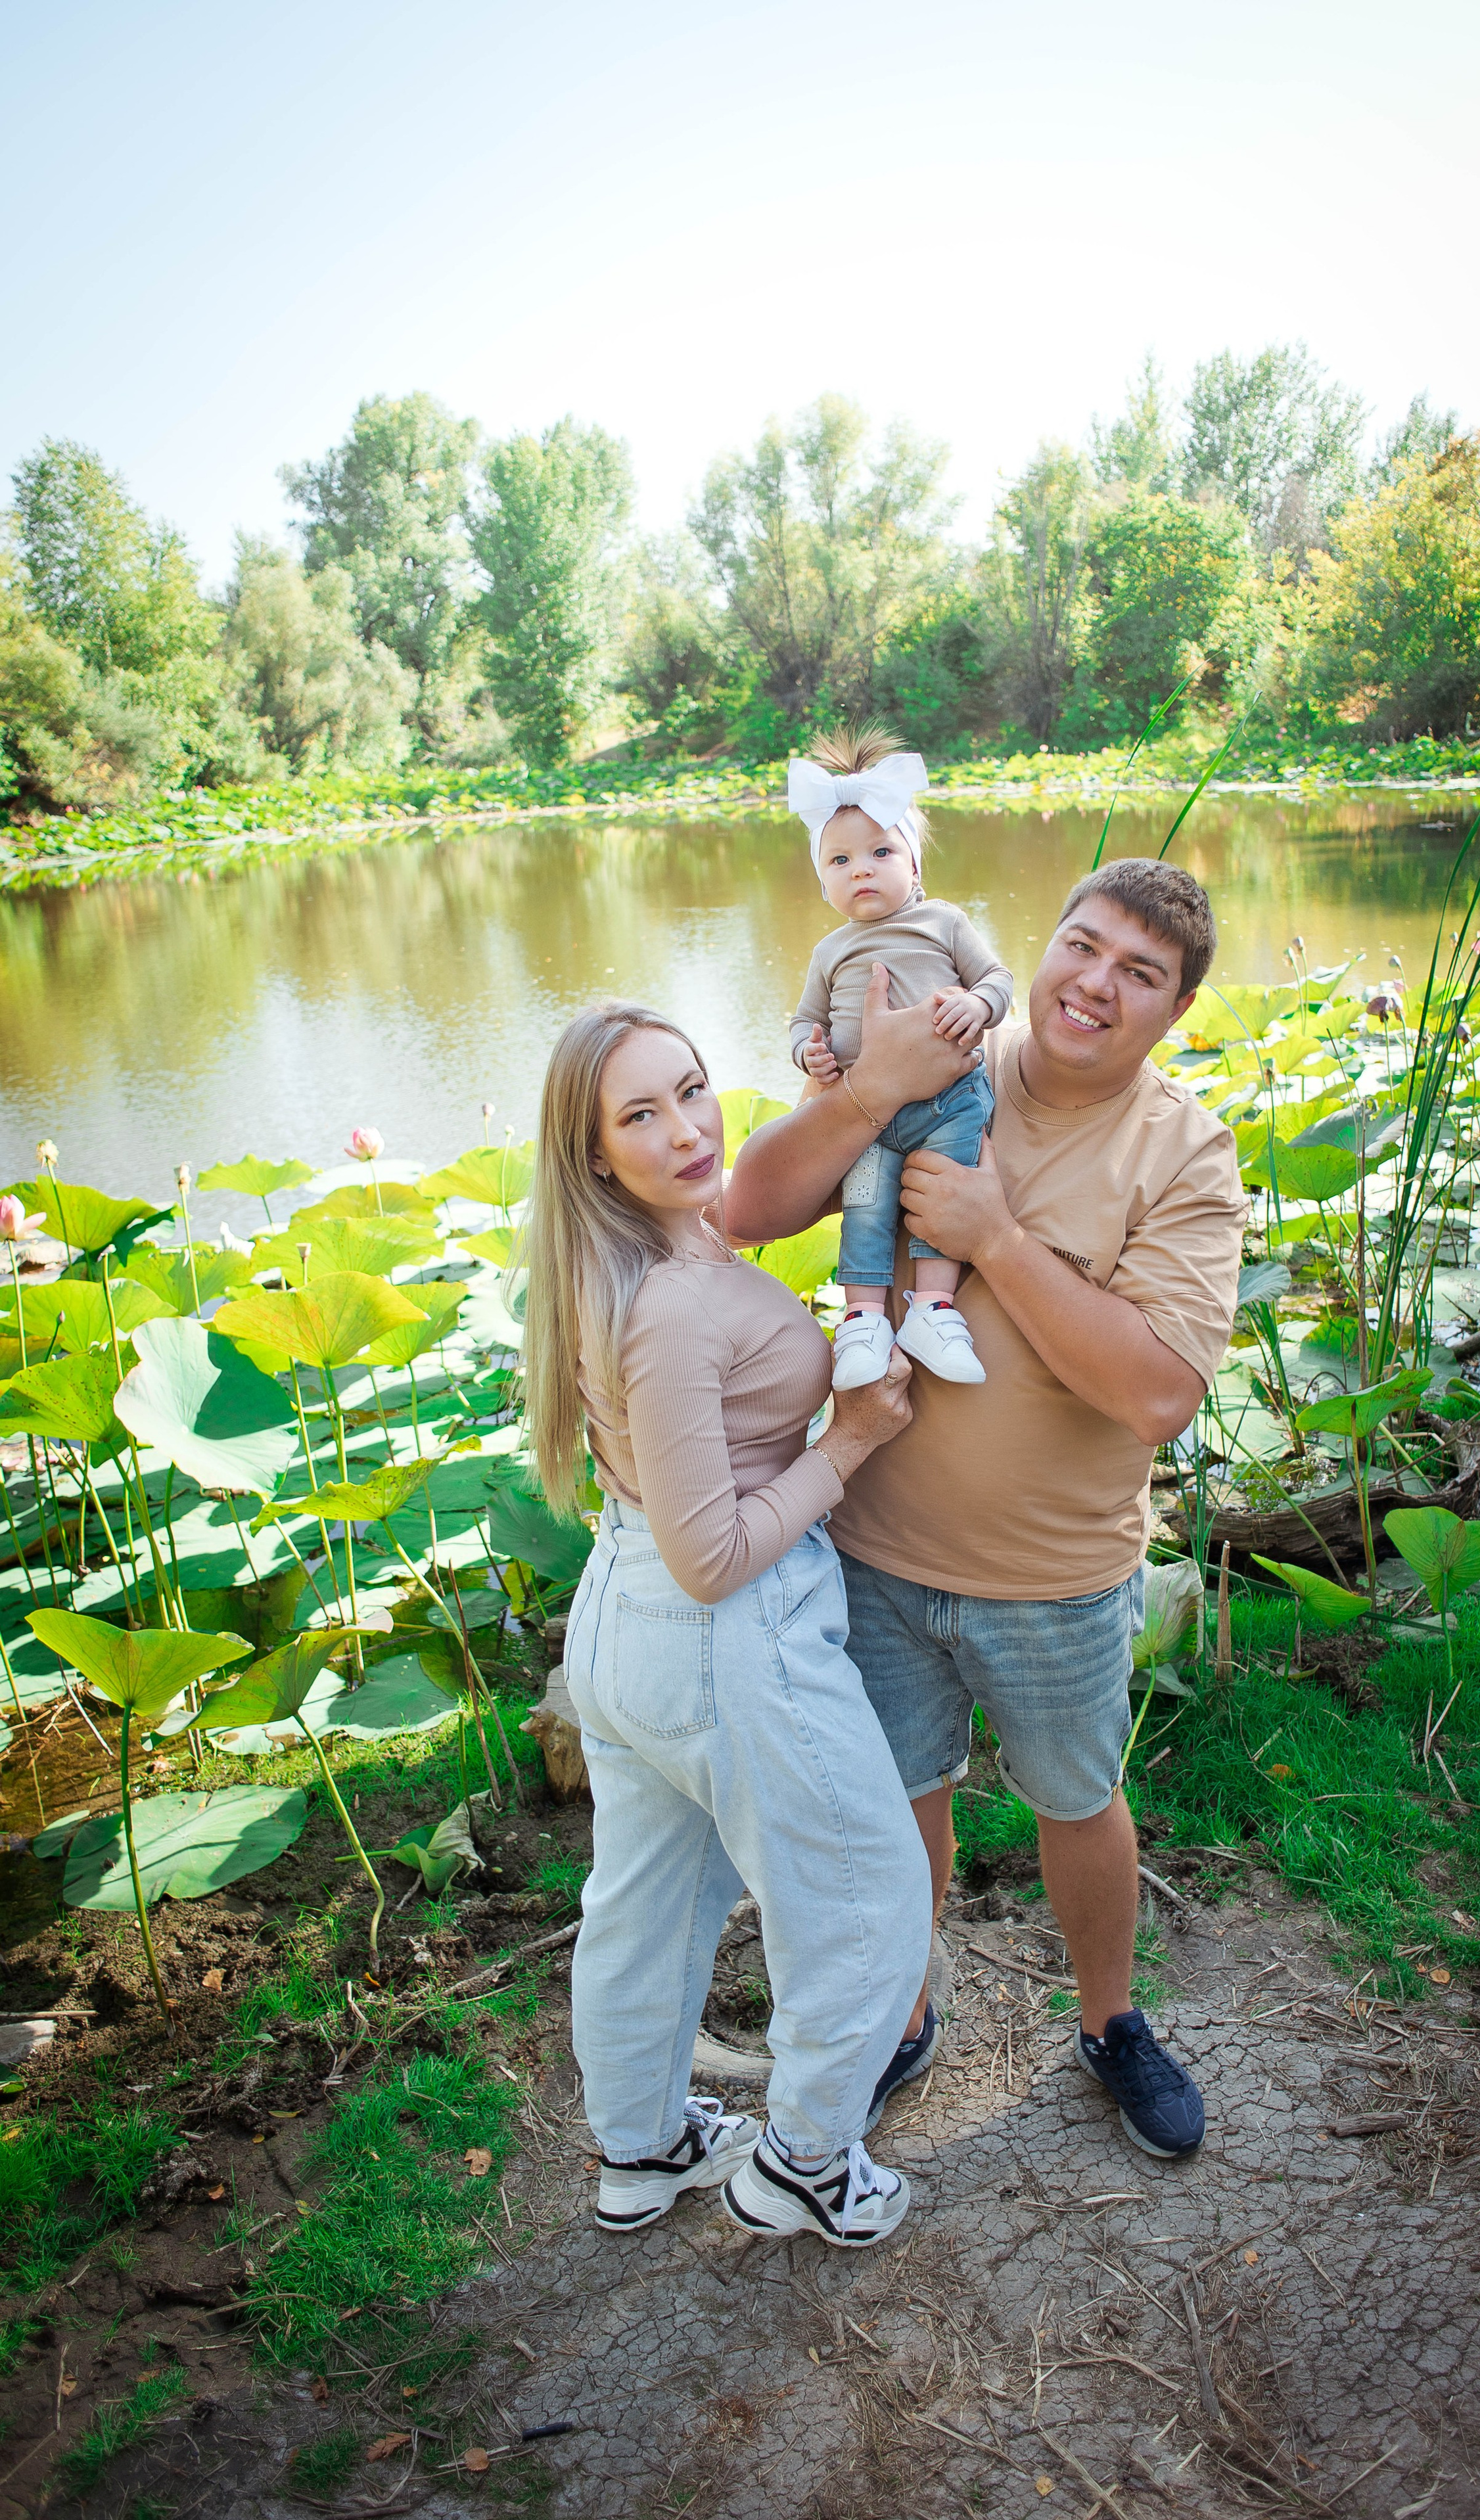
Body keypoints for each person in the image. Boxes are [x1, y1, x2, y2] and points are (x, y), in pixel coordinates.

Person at [726, 859, 1248, 2160]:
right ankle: (903, 2011)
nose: (1094, 984)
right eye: (1083, 946)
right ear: (1045, 944)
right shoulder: (937, 1047)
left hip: (1055, 1570)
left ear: (1173, 1010)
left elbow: (1154, 1398)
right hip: (875, 1548)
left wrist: (998, 1238)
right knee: (903, 1797)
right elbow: (749, 1209)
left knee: (1077, 1797)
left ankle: (1109, 2019)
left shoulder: (1182, 1152)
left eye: (1139, 973)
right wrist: (862, 1087)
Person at [522, 1002, 934, 2249]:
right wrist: (848, 1447)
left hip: (619, 1623)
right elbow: (714, 1559)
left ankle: (641, 2148)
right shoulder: (674, 1307)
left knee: (644, 1906)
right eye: (640, 1113)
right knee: (868, 1898)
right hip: (724, 1635)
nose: (689, 1127)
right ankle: (806, 2161)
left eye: (693, 1089)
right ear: (595, 1153)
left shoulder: (622, 1263)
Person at [788, 724, 1013, 1392]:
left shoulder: (943, 921)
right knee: (865, 1206)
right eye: (840, 861)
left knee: (944, 1200)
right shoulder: (828, 953)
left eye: (881, 851)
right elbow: (803, 1020)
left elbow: (997, 981)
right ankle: (862, 1319)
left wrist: (977, 1008)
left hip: (950, 1103)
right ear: (823, 882)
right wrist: (810, 1051)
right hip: (866, 1115)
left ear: (913, 863)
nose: (861, 868)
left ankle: (932, 1308)